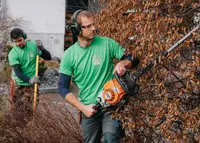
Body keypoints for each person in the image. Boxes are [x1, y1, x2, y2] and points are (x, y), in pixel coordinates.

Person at [58, 10, 140, 143]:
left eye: (93, 24)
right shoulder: (69, 55)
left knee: (111, 138)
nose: (94, 28)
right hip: (89, 108)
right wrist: (82, 108)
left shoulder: (106, 43)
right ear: (77, 29)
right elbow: (62, 88)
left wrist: (123, 63)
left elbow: (133, 58)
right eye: (88, 26)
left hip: (111, 104)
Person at [8, 28, 51, 118]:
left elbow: (48, 57)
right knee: (17, 111)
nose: (18, 44)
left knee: (31, 109)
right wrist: (30, 80)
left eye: (20, 40)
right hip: (19, 84)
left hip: (32, 85)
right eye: (15, 42)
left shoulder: (33, 46)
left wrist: (42, 49)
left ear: (24, 37)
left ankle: (30, 128)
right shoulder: (13, 53)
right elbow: (18, 73)